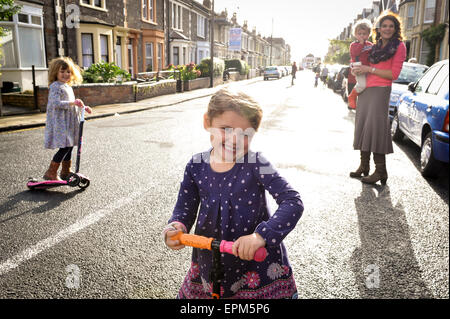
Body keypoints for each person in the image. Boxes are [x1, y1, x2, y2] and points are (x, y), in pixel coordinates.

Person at [163, 88, 304, 299]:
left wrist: (261, 236)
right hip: (209, 258)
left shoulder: (258, 163)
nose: (235, 140)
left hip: (255, 263)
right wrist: (177, 227)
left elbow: (292, 201)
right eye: (226, 129)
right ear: (207, 122)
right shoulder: (196, 165)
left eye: (245, 133)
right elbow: (185, 207)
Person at [350, 11, 406, 184]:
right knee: (363, 126)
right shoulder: (375, 45)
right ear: (379, 29)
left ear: (395, 29)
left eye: (391, 26)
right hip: (366, 88)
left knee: (375, 128)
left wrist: (369, 70)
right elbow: (363, 62)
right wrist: (358, 69)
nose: (387, 29)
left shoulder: (399, 46)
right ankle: (364, 166)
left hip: (380, 89)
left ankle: (380, 170)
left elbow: (393, 74)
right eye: (384, 26)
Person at [43, 57, 92, 181]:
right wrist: (72, 103)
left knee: (70, 146)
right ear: (55, 72)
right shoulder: (55, 86)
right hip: (61, 123)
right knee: (65, 147)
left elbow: (73, 105)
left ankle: (65, 171)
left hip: (69, 123)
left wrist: (83, 107)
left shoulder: (67, 86)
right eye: (62, 71)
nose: (66, 74)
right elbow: (55, 103)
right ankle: (51, 173)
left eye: (68, 72)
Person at [348, 19, 373, 109]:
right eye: (359, 34)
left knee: (368, 85)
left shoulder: (370, 45)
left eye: (364, 34)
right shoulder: (354, 45)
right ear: (355, 34)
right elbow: (355, 53)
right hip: (358, 66)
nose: (362, 36)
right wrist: (361, 43)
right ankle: (352, 96)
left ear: (368, 34)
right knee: (362, 84)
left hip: (368, 67)